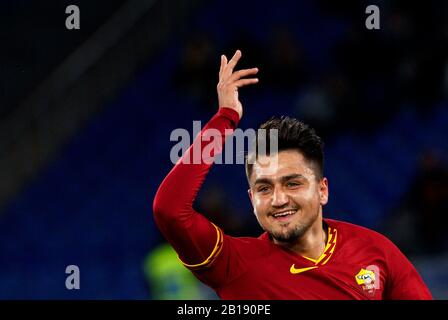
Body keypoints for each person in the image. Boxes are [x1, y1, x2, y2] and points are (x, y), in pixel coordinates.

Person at [153, 50, 432, 299]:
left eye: (292, 183)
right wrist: (226, 116)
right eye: (264, 188)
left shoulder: (375, 251)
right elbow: (169, 209)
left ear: (322, 190)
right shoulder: (236, 265)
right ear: (251, 199)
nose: (278, 199)